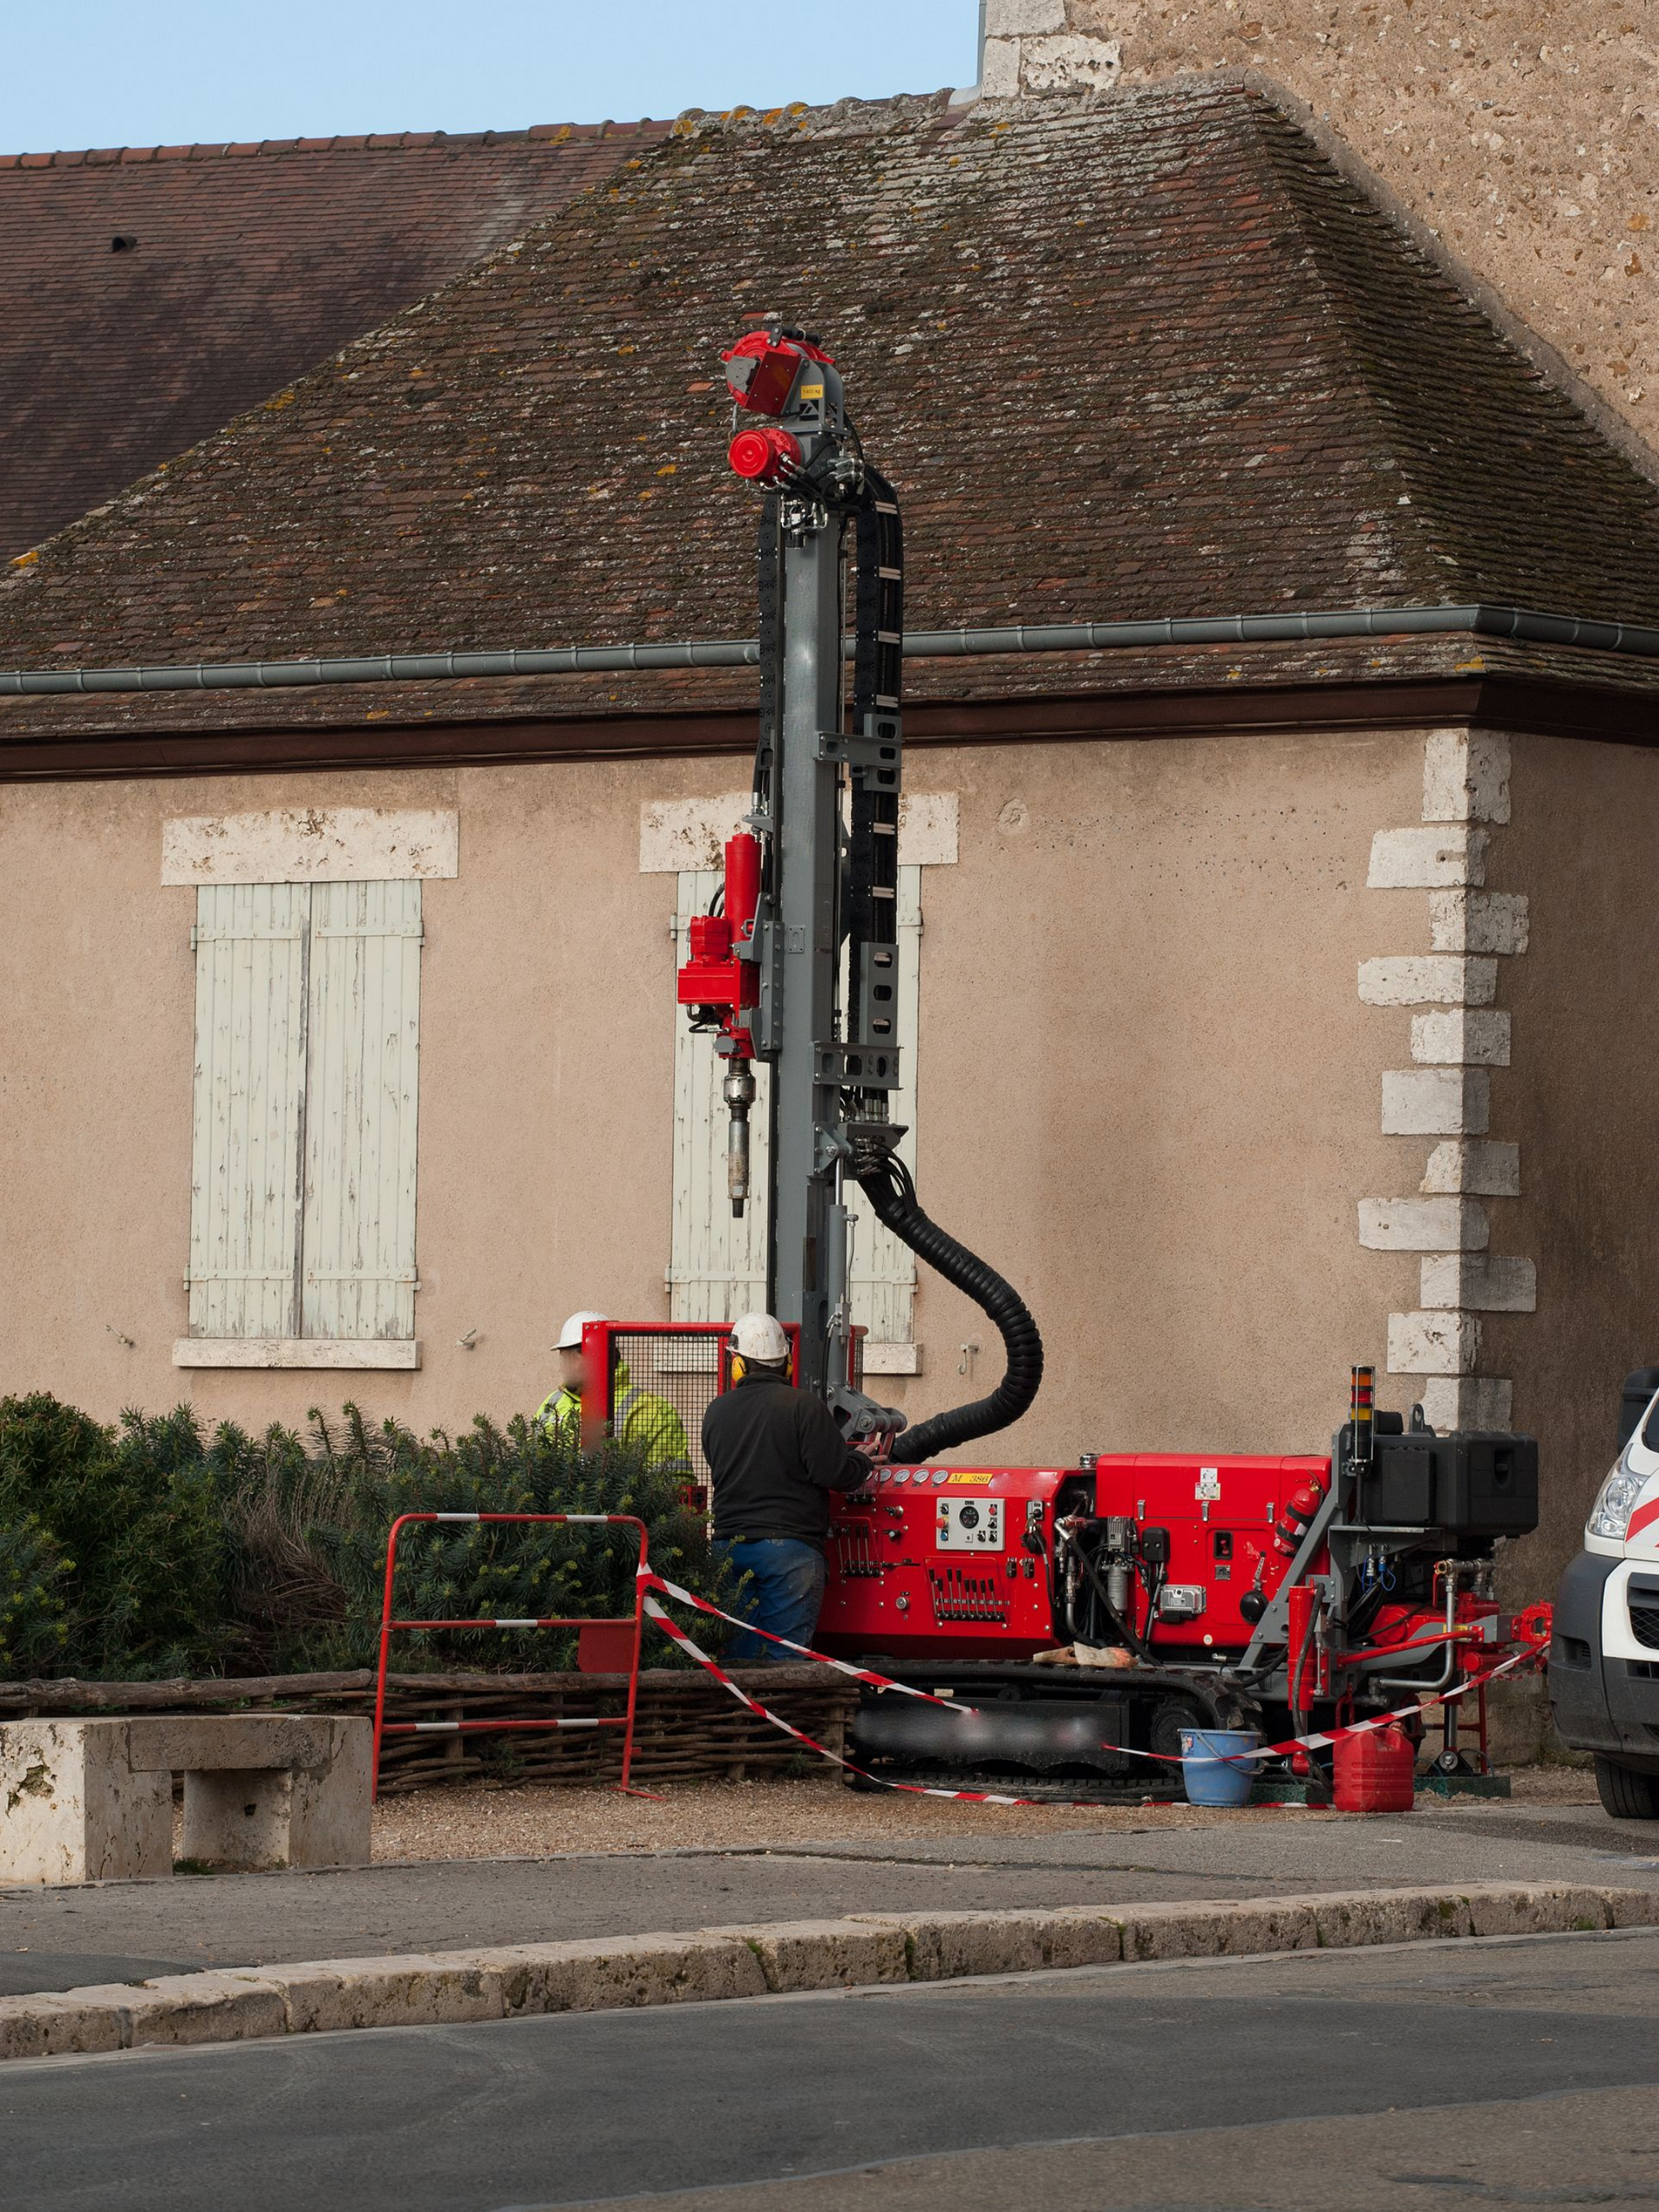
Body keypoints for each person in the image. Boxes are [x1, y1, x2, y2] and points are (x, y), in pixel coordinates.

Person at [702, 1312, 879, 1663]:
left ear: (737, 1364)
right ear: (786, 1363)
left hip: (729, 1549)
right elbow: (835, 1473)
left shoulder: (716, 1412)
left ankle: (745, 1717)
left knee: (737, 1660)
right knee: (784, 1662)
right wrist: (864, 1460)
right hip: (790, 1552)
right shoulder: (803, 1407)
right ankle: (779, 1717)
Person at [535, 1311, 691, 1471]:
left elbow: (670, 1483)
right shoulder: (553, 1402)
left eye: (570, 1358)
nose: (562, 1368)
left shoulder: (651, 1411)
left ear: (595, 1356)